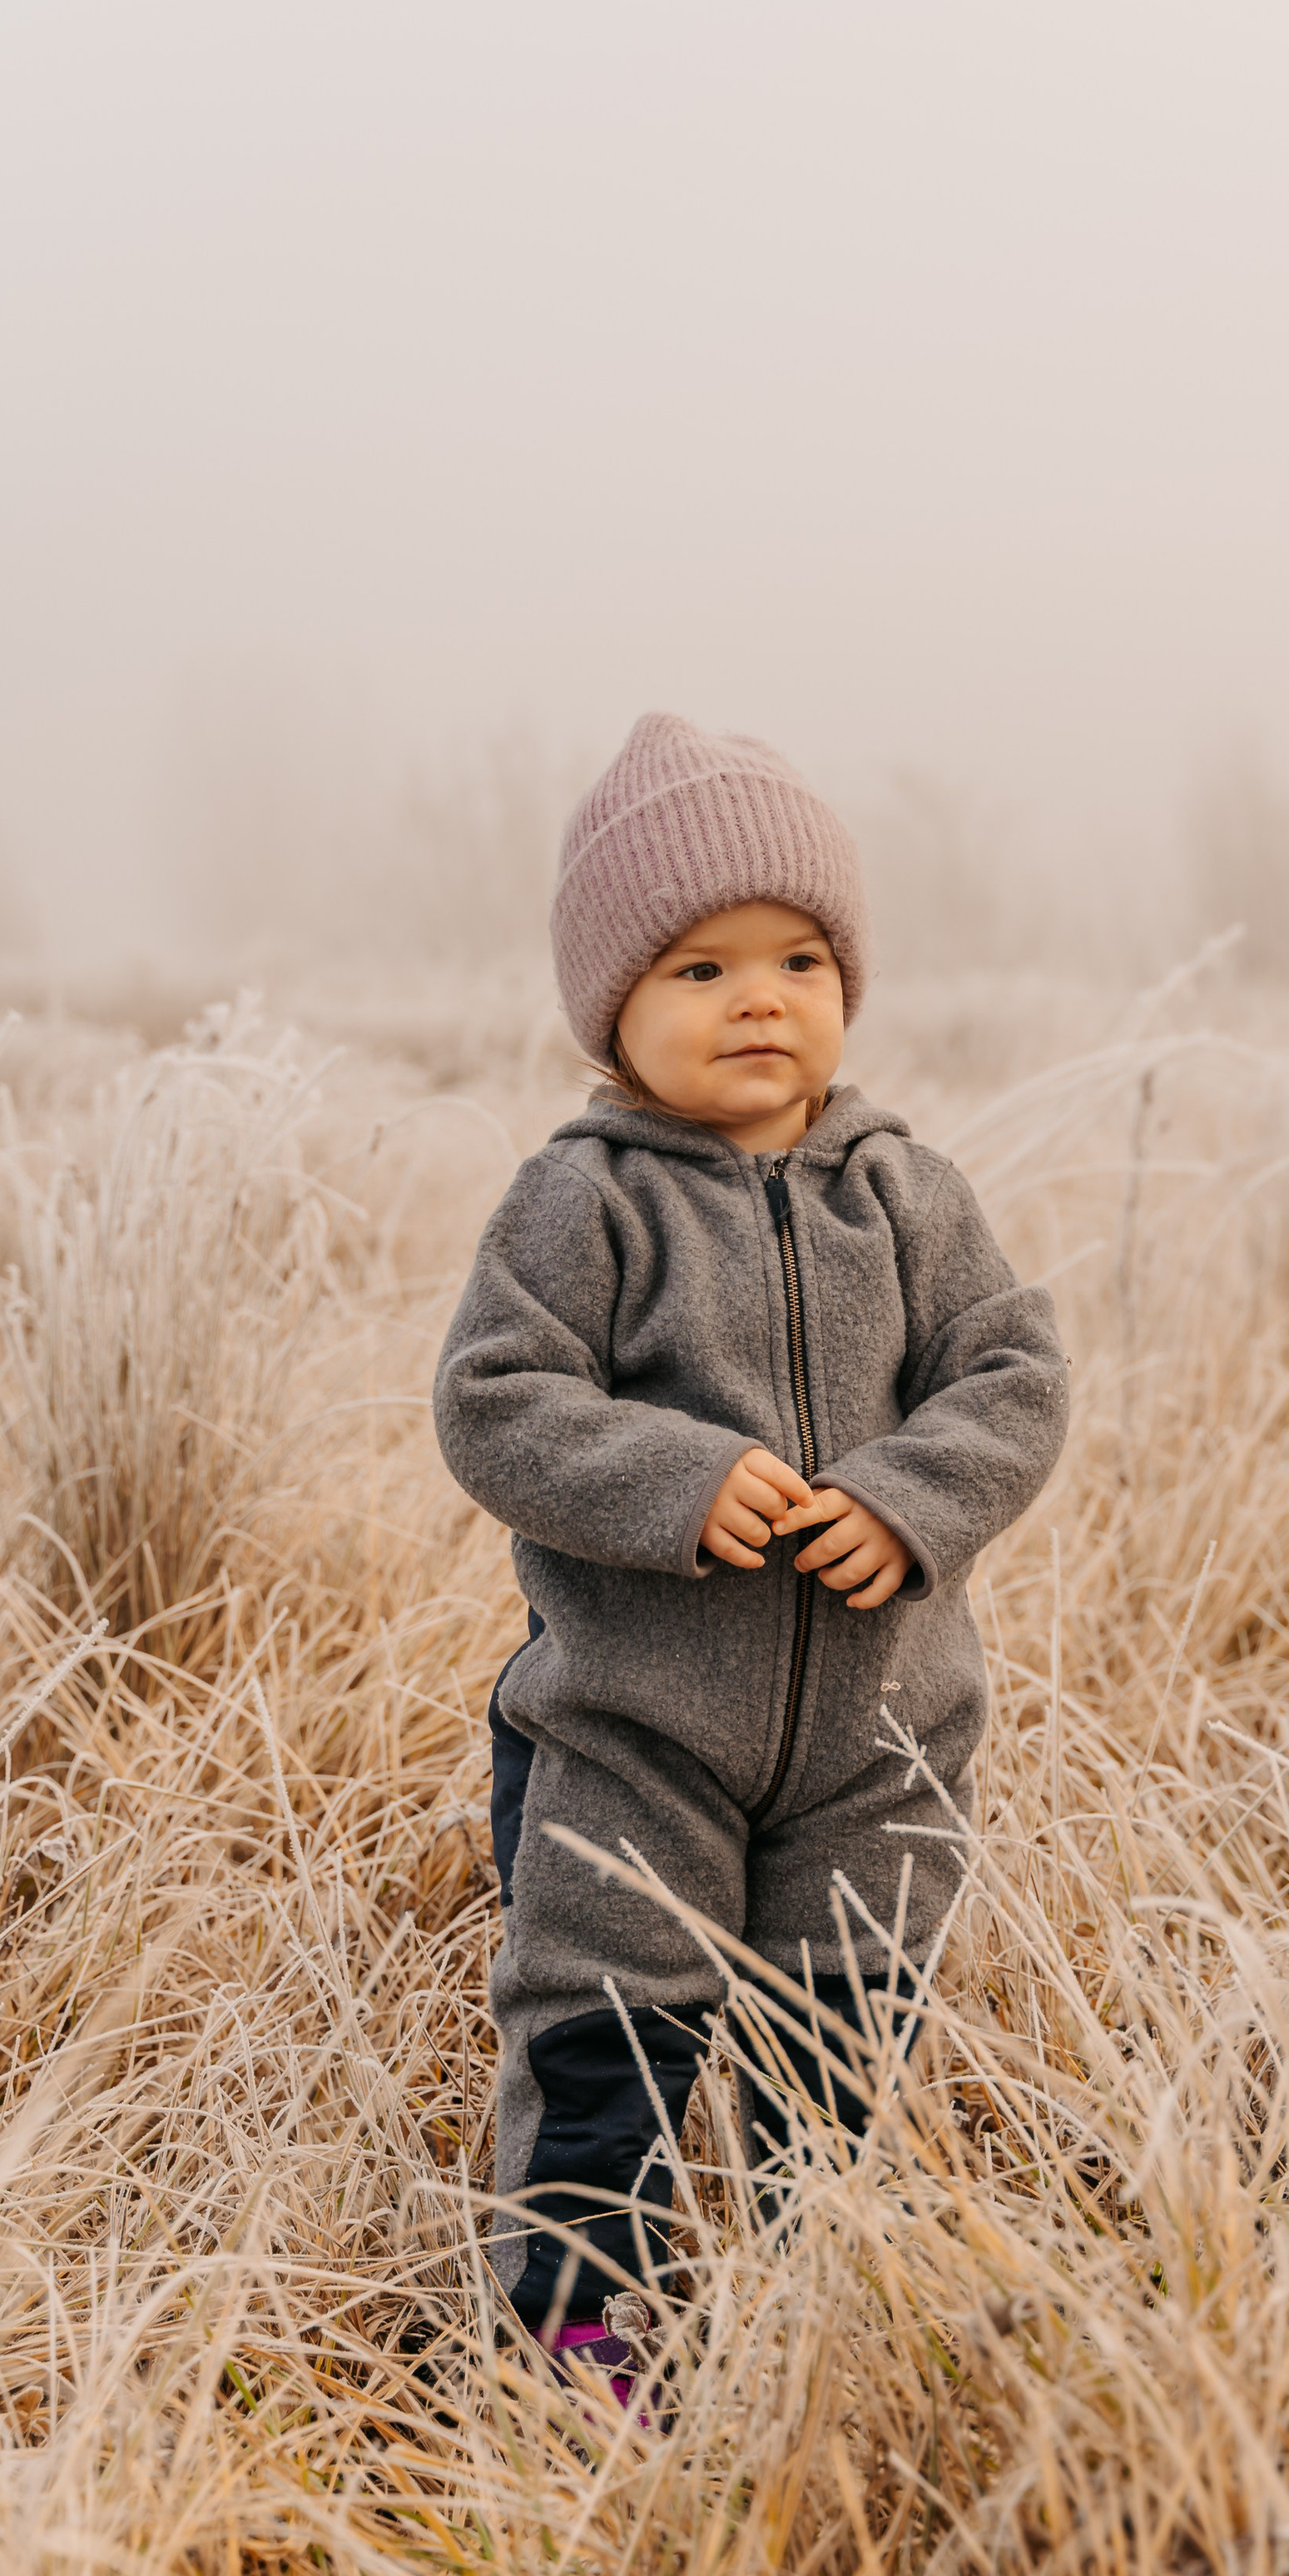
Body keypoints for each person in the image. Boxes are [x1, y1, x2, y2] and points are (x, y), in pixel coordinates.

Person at [434, 712, 1069, 2397]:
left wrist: (911, 1497)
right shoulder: (583, 1202)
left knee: (838, 2041)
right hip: (632, 1735)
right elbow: (494, 1403)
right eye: (700, 968)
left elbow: (1010, 1373)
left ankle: (816, 2305)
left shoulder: (904, 1194)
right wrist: (675, 1475)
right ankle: (584, 2344)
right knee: (602, 2046)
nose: (760, 998)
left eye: (798, 956)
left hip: (875, 1739)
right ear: (614, 1008)